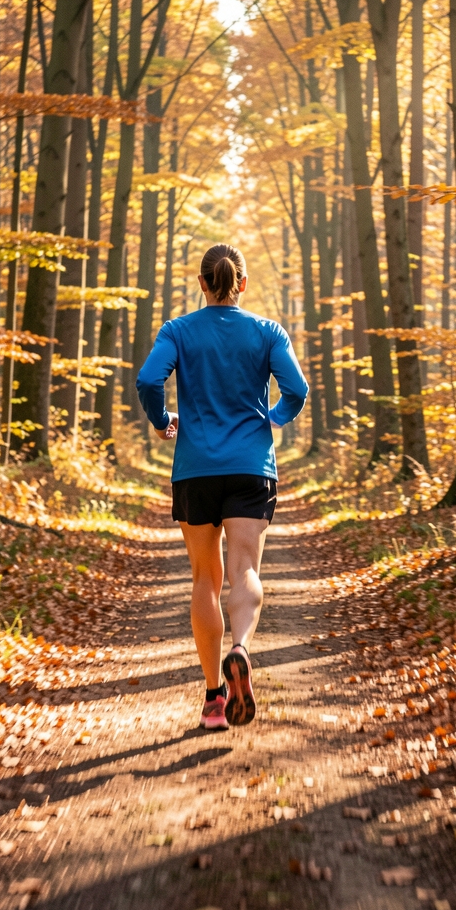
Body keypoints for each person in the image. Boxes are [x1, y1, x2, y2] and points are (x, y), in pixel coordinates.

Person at [136, 243, 309, 730]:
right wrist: (272, 419)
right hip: (251, 466)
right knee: (244, 569)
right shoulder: (268, 332)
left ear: (202, 283)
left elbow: (148, 380)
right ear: (242, 283)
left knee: (204, 580)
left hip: (195, 469)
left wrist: (163, 422)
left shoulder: (178, 331)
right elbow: (296, 390)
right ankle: (241, 649)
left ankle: (214, 698)